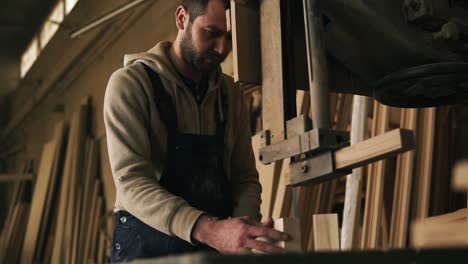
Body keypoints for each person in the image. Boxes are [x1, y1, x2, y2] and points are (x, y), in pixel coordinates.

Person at [104, 0, 288, 262]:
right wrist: (211, 230)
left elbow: (244, 177)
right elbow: (131, 182)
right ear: (182, 19)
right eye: (211, 33)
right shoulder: (131, 85)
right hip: (148, 249)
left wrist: (244, 231)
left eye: (229, 37)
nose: (222, 48)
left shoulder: (230, 95)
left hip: (210, 251)